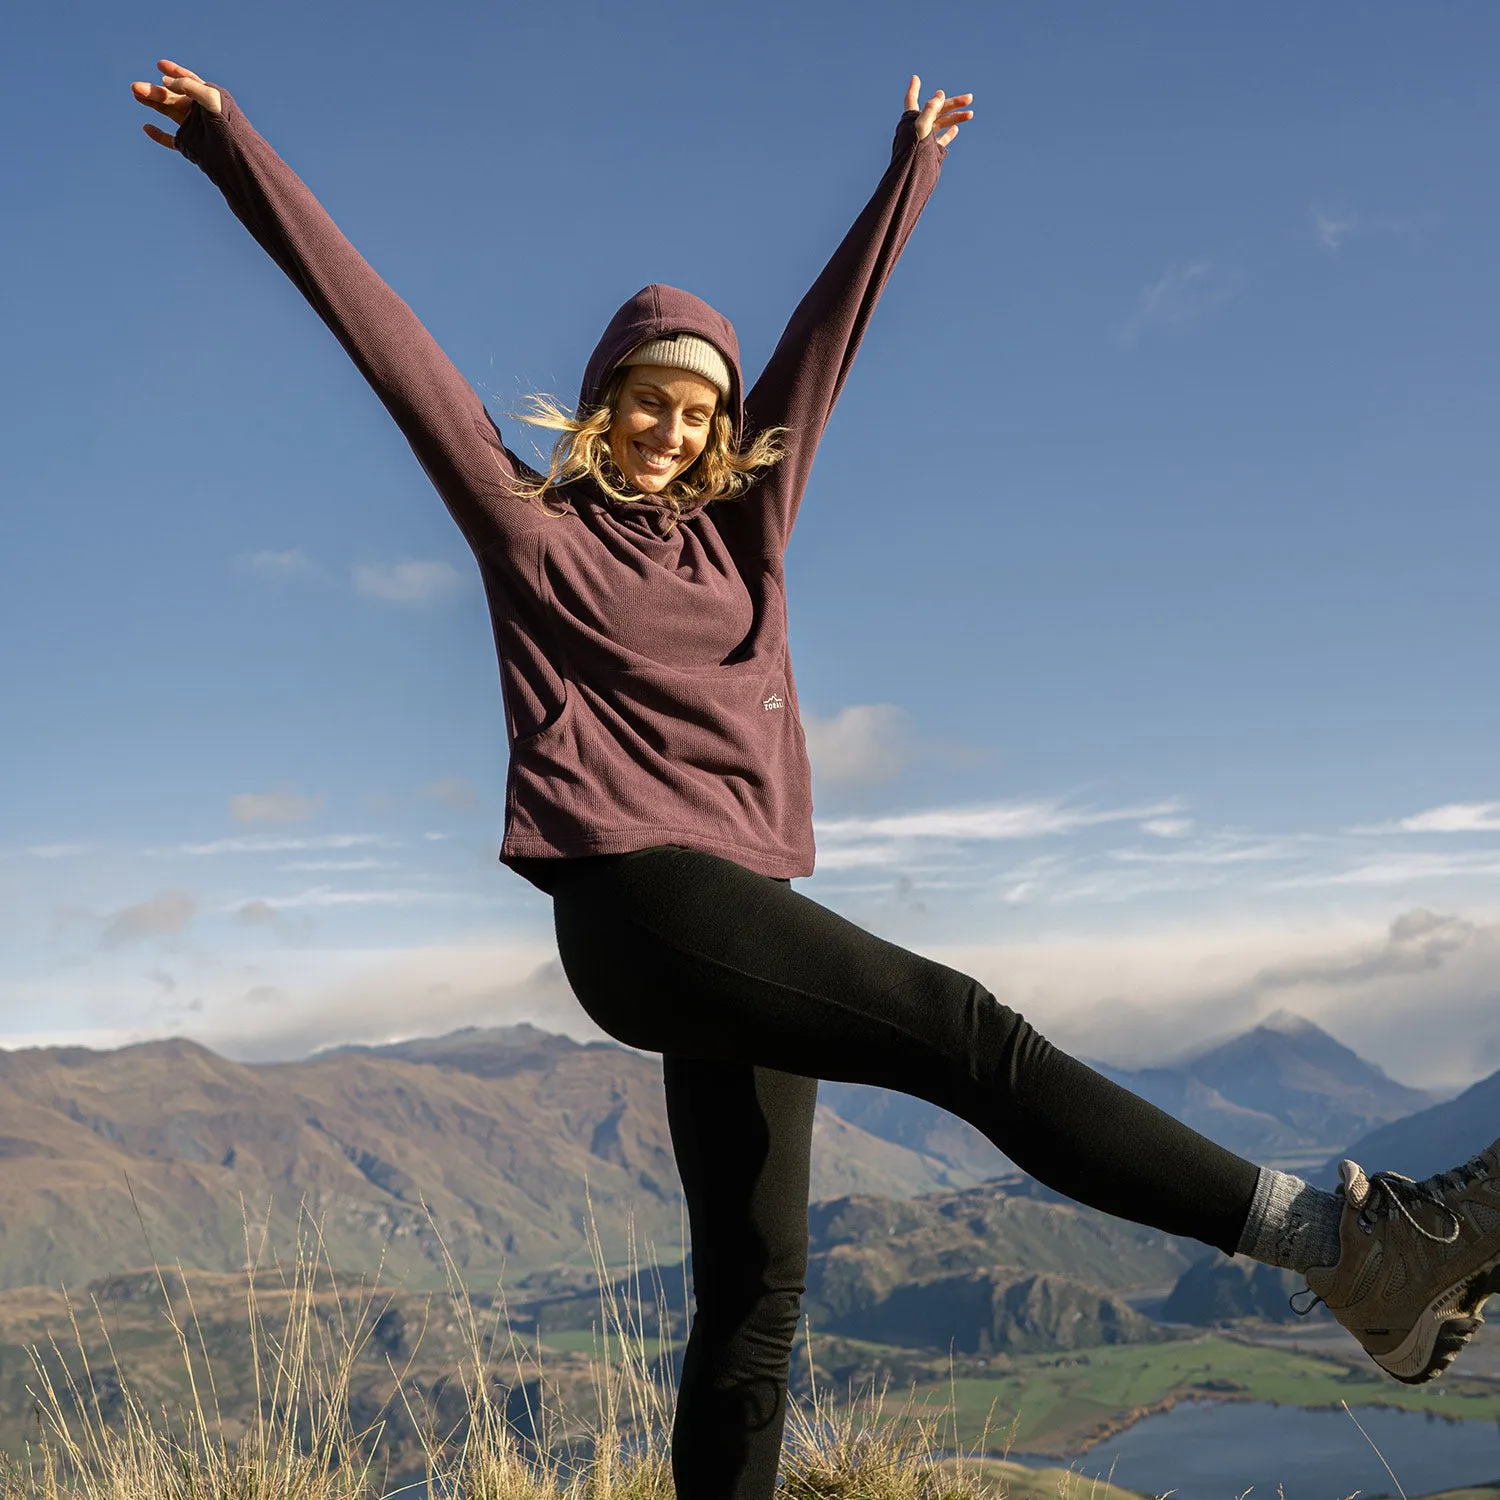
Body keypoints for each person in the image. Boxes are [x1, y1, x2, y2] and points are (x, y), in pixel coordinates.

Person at [133, 58, 1500, 1500]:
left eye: (698, 413)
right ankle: (1351, 1250)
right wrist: (237, 153)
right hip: (638, 903)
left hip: (743, 920)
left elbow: (822, 346)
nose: (673, 431)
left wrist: (907, 172)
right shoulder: (531, 529)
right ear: (602, 407)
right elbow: (387, 341)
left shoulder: (748, 538)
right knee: (971, 1036)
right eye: (647, 403)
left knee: (759, 1287)